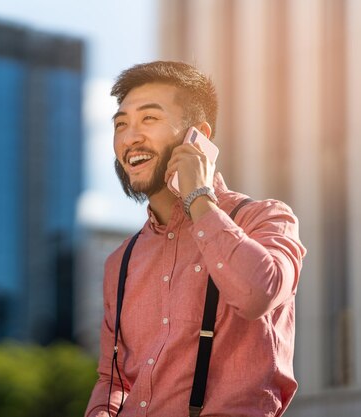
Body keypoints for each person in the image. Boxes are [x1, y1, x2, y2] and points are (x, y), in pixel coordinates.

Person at [84, 61, 307, 417]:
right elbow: (112, 380)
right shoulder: (120, 261)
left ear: (198, 136)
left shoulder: (264, 218)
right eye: (121, 124)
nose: (129, 137)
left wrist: (198, 198)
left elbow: (258, 294)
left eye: (149, 119)